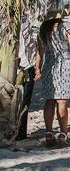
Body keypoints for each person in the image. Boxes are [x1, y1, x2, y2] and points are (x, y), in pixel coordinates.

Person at [35, 0, 70, 147]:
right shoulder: (67, 26)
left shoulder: (43, 28)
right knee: (62, 101)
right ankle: (63, 134)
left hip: (49, 65)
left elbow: (40, 51)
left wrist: (37, 66)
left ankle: (49, 133)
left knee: (50, 100)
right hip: (66, 63)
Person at [16, 12, 36, 140]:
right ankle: (19, 133)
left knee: (25, 101)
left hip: (27, 64)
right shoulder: (29, 18)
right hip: (20, 63)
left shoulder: (30, 18)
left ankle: (21, 133)